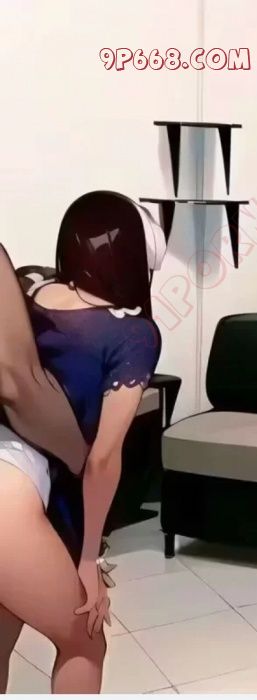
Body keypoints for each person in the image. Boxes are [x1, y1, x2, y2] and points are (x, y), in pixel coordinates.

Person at [0, 191, 164, 693]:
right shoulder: (133, 335)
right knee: (85, 641)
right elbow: (102, 461)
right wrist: (90, 557)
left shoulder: (30, 288)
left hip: (20, 485)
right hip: (12, 486)